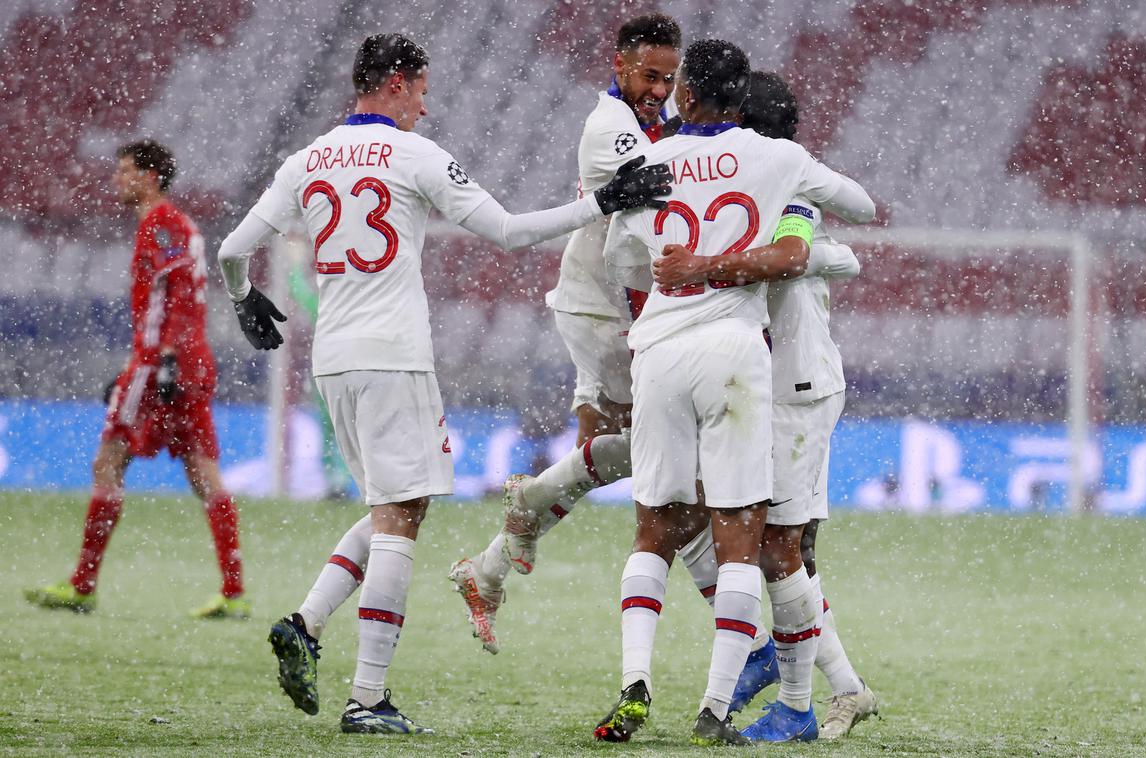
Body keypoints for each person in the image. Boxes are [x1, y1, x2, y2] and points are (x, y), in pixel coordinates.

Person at [215, 33, 671, 735]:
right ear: (396, 84)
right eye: (422, 92)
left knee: (392, 505)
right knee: (403, 517)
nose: (426, 109)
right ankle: (367, 698)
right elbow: (513, 232)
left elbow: (232, 250)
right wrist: (603, 200)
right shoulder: (413, 155)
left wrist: (245, 299)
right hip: (394, 355)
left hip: (333, 359)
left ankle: (306, 624)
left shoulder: (306, 158)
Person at [595, 39, 875, 746]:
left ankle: (799, 699)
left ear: (689, 94)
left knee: (753, 542)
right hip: (749, 371)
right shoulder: (774, 172)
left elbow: (796, 256)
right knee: (755, 543)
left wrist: (693, 265)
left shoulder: (774, 190)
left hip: (784, 383)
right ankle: (795, 691)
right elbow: (855, 217)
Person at [448, 11, 682, 656]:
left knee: (629, 457)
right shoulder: (611, 126)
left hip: (606, 305)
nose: (659, 88)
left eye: (669, 76)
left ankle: (489, 567)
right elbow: (645, 227)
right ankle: (528, 505)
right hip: (610, 312)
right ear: (619, 67)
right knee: (669, 460)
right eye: (649, 75)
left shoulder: (648, 121)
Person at [25, 140, 247, 619]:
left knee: (108, 460)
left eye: (124, 172)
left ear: (148, 177)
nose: (116, 181)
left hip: (164, 361)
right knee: (202, 469)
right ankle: (234, 591)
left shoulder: (162, 224)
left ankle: (83, 585)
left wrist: (161, 361)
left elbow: (182, 298)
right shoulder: (175, 225)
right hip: (185, 360)